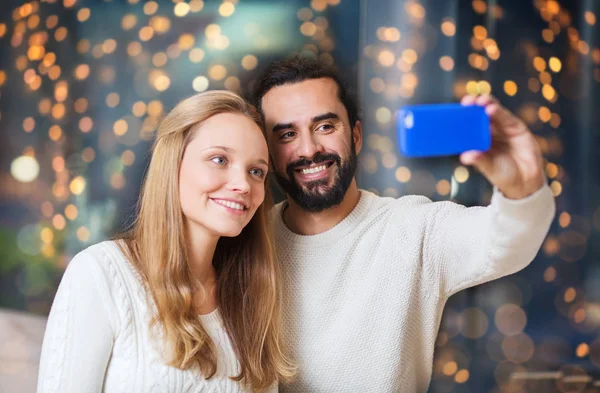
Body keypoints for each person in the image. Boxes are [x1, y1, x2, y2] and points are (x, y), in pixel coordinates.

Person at [251, 56, 556, 393]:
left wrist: (522, 184)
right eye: (286, 134)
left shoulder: (414, 229)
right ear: (266, 151)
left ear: (355, 136)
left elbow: (508, 243)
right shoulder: (248, 241)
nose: (308, 149)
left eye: (325, 126)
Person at [37, 91, 295, 393]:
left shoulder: (252, 297)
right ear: (173, 164)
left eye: (256, 171)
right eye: (219, 159)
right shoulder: (100, 273)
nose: (243, 184)